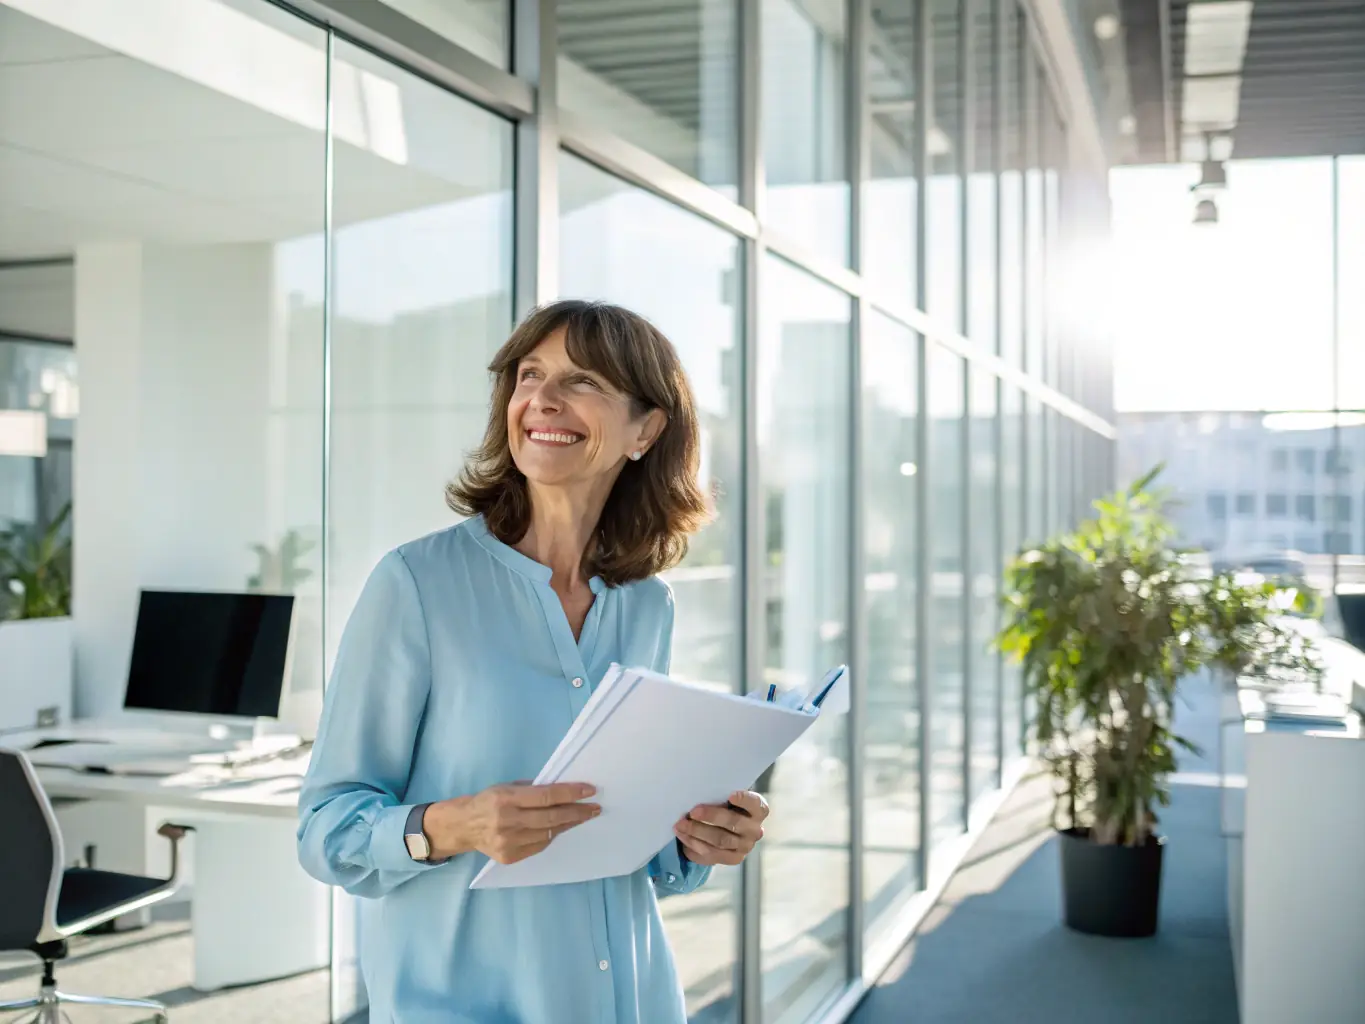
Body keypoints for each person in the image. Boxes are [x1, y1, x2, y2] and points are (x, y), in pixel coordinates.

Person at [297, 300, 770, 1023]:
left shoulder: (647, 604)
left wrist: (702, 838)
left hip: (627, 999)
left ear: (646, 429)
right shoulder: (417, 585)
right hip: (461, 1002)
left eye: (582, 381)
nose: (542, 399)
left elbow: (642, 844)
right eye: (528, 375)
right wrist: (454, 825)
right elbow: (325, 832)